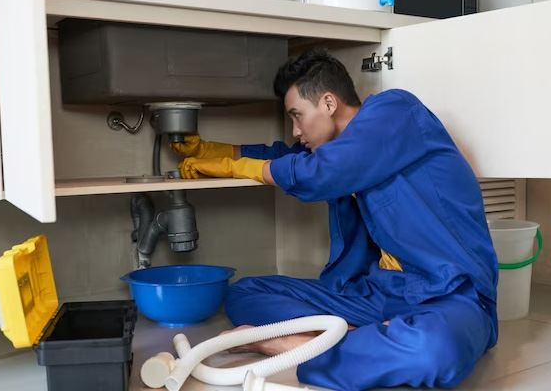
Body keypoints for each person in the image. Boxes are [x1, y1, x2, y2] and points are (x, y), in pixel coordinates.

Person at [174, 49, 498, 390]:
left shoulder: (397, 110)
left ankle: (288, 344)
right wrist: (215, 151)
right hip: (377, 293)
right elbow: (286, 156)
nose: (295, 130)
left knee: (434, 351)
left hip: (449, 295)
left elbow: (318, 172)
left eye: (297, 116)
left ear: (329, 103)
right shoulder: (339, 148)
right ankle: (364, 343)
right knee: (244, 293)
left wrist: (238, 167)